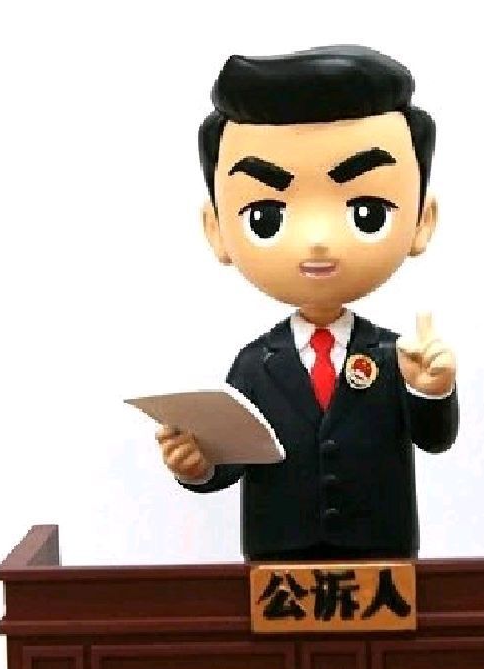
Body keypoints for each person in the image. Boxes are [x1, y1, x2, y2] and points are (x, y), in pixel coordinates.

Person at [157, 45, 459, 561]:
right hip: (278, 561)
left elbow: (433, 439)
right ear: (217, 230)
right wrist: (199, 465)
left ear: (421, 220)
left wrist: (431, 391)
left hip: (380, 555)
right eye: (266, 218)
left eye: (367, 212)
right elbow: (237, 454)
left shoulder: (396, 357)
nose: (317, 240)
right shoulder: (257, 364)